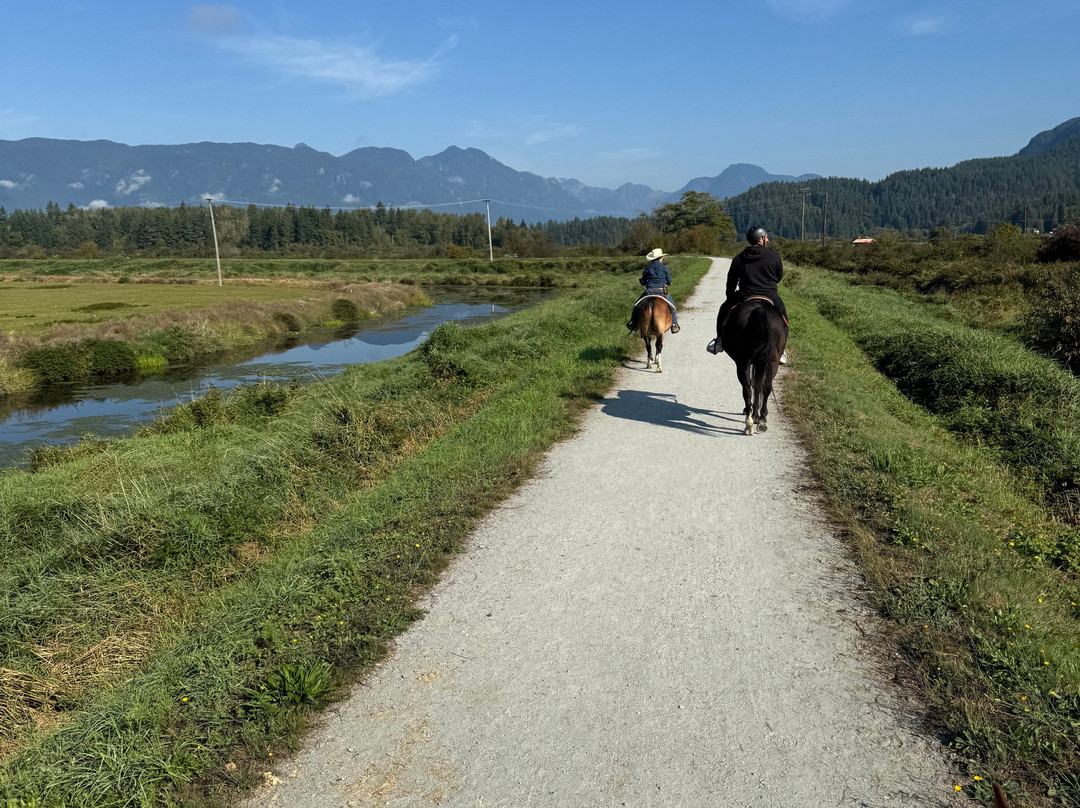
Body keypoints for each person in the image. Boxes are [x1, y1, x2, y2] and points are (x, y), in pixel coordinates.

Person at [707, 226, 788, 363]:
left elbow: (731, 281)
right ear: (760, 239)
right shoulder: (774, 256)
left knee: (723, 310)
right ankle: (782, 349)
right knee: (784, 318)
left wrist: (730, 297)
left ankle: (719, 341)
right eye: (766, 237)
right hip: (770, 294)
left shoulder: (739, 258)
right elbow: (778, 276)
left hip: (745, 295)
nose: (767, 239)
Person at [628, 248, 680, 333]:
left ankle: (633, 323)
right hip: (662, 292)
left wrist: (641, 281)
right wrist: (669, 283)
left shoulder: (648, 268)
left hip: (649, 292)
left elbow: (643, 282)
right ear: (660, 258)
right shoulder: (664, 268)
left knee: (636, 305)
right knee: (673, 307)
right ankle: (674, 325)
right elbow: (669, 281)